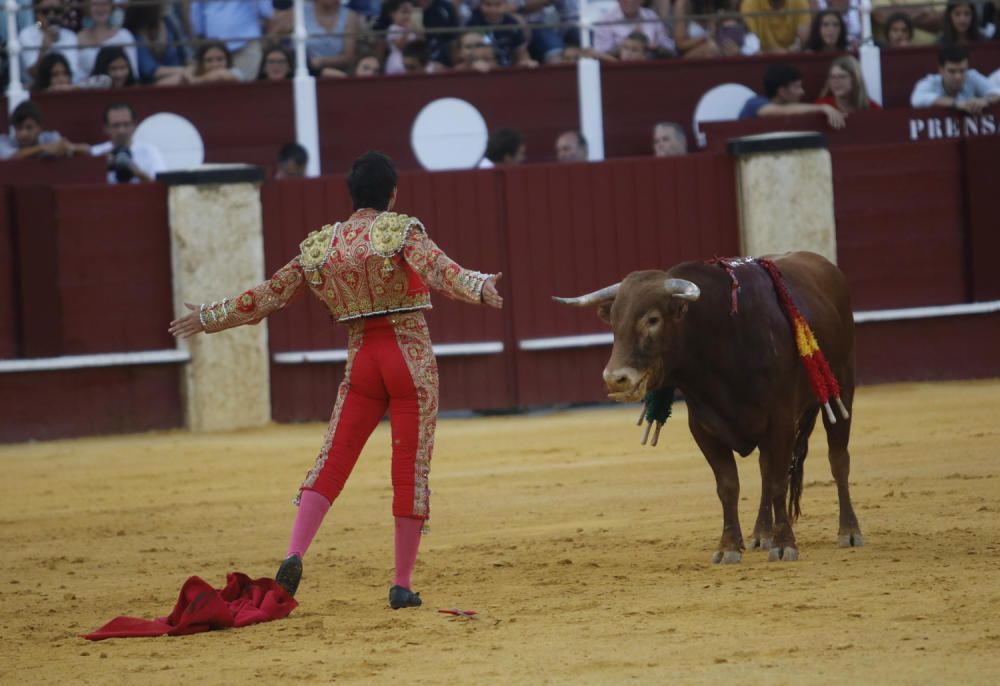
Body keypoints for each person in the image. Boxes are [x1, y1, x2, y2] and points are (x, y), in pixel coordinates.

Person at [168, 151, 504, 608]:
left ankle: (293, 552)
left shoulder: (321, 245)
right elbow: (440, 270)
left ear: (351, 195)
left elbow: (270, 294)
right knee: (410, 469)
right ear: (393, 194)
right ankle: (401, 583)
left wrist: (210, 316)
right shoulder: (401, 230)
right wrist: (479, 286)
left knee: (332, 458)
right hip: (408, 357)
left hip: (362, 358)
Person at [738, 62, 847, 129]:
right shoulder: (755, 103)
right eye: (796, 87)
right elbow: (777, 111)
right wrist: (823, 107)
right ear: (782, 91)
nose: (802, 92)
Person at [90, 103, 167, 184]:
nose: (121, 131)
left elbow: (162, 186)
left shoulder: (149, 151)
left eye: (126, 124)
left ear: (134, 125)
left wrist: (138, 173)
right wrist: (102, 166)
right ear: (106, 128)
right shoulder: (98, 153)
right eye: (116, 125)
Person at [910, 43, 1000, 113]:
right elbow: (916, 99)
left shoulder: (972, 76)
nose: (958, 76)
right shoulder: (930, 81)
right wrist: (956, 104)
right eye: (952, 71)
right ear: (941, 70)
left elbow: (997, 92)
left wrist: (985, 101)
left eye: (962, 70)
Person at [0, 99, 89, 160]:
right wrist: (42, 148)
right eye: (19, 128)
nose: (24, 133)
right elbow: (9, 157)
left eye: (29, 127)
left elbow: (88, 151)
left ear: (39, 128)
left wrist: (68, 147)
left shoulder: (50, 138)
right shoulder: (4, 141)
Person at [19, 0, 80, 84]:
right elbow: (33, 75)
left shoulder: (70, 36)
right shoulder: (26, 34)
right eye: (46, 11)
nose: (52, 15)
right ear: (37, 12)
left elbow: (71, 73)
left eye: (57, 11)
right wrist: (44, 48)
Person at [77, 0, 138, 80]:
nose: (100, 8)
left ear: (111, 7)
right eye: (95, 4)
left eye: (105, 4)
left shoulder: (124, 35)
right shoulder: (77, 38)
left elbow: (133, 72)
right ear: (88, 8)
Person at [467, 0, 539, 68]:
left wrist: (526, 61)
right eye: (488, 4)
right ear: (480, 5)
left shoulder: (512, 23)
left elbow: (521, 51)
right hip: (481, 68)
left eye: (498, 4)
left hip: (507, 70)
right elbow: (467, 53)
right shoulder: (473, 23)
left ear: (505, 5)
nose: (493, 9)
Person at [593, 0, 675, 58]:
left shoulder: (651, 16)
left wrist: (657, 48)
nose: (627, 1)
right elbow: (599, 54)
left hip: (651, 67)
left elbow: (671, 48)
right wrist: (623, 49)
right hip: (619, 69)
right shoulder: (605, 21)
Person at [305, 0, 360, 75]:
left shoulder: (350, 16)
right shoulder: (299, 13)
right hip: (305, 73)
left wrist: (322, 62)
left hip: (339, 74)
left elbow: (349, 57)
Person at [816, 55, 882, 113]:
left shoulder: (872, 108)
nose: (836, 81)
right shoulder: (823, 105)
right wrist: (822, 108)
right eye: (832, 77)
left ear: (855, 80)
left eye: (842, 77)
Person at [740, 0, 811, 53]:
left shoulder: (799, 2)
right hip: (761, 59)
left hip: (791, 57)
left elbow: (804, 39)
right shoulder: (749, 4)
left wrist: (788, 51)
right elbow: (750, 43)